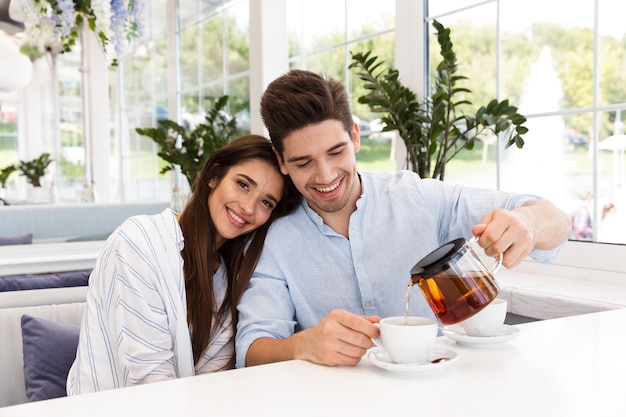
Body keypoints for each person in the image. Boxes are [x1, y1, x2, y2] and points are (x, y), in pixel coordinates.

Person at [235, 69, 572, 368]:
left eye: (336, 152)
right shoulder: (274, 239)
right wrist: (302, 345)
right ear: (281, 160)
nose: (325, 176)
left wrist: (528, 222)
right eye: (303, 162)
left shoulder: (417, 198)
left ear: (354, 135)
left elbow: (552, 220)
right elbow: (252, 347)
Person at [67, 135, 300, 394]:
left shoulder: (227, 279)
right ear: (214, 176)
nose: (248, 207)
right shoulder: (138, 241)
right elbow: (150, 381)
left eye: (266, 202)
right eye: (243, 185)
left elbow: (212, 387)